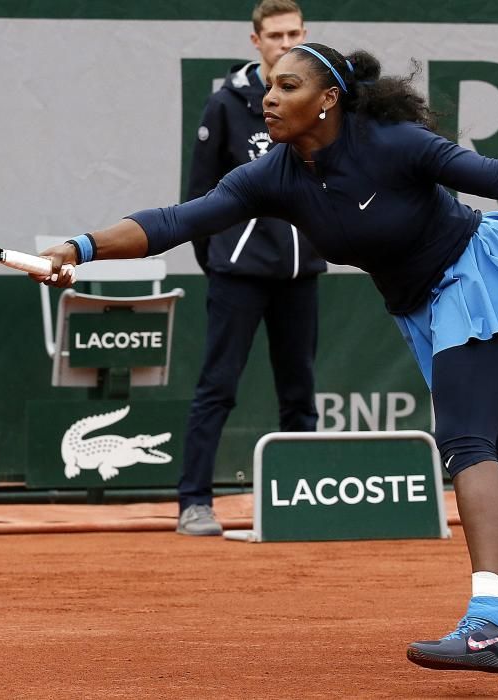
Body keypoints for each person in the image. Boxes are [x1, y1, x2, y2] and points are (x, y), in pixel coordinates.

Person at [36, 43, 498, 681]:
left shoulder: (393, 144)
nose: (270, 96)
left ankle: (491, 621)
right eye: (269, 85)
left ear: (328, 98)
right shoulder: (272, 174)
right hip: (423, 304)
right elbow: (176, 219)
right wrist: (81, 246)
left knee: (467, 442)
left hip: (482, 278)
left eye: (289, 86)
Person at [176, 0, 325, 536]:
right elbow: (198, 196)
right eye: (275, 35)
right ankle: (194, 502)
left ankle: (308, 501)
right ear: (256, 41)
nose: (286, 43)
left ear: (305, 35)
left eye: (294, 34)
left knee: (299, 393)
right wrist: (218, 259)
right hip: (237, 273)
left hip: (300, 273)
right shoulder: (226, 104)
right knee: (217, 387)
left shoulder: (321, 104)